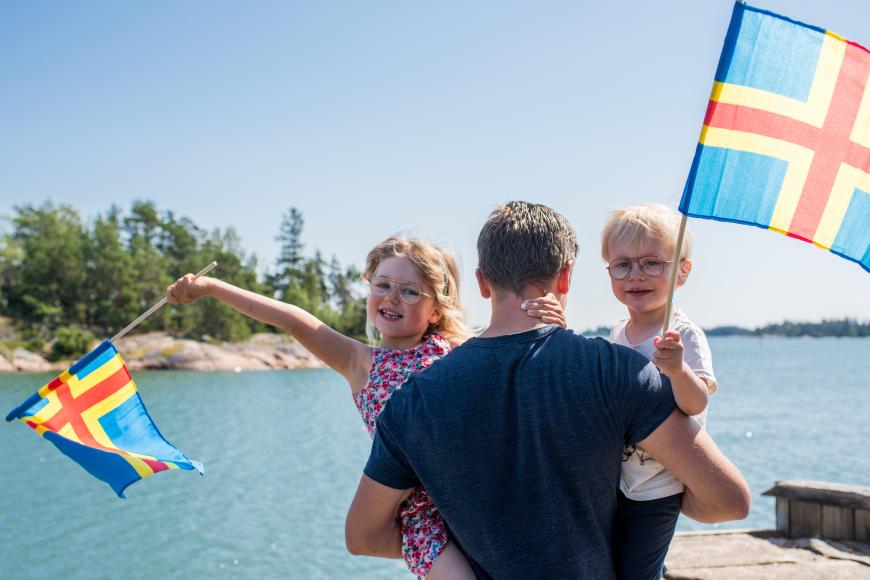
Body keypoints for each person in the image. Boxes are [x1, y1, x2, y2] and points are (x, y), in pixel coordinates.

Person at [345, 201, 750, 579]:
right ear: (565, 277)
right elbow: (728, 500)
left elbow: (363, 537)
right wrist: (644, 510)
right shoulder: (620, 370)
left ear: (483, 282)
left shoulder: (411, 402)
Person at [166, 235, 565, 580]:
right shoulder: (360, 363)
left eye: (410, 291)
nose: (391, 297)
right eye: (382, 285)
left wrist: (556, 328)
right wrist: (214, 288)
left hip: (476, 495)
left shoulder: (456, 351)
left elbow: (522, 372)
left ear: (437, 310)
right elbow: (292, 319)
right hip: (423, 518)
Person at [602, 204, 717, 579]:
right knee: (615, 563)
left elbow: (697, 401)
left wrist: (677, 370)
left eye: (652, 262)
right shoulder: (618, 333)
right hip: (614, 480)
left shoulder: (682, 335)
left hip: (657, 485)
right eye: (622, 265)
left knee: (638, 571)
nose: (636, 275)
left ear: (682, 271)